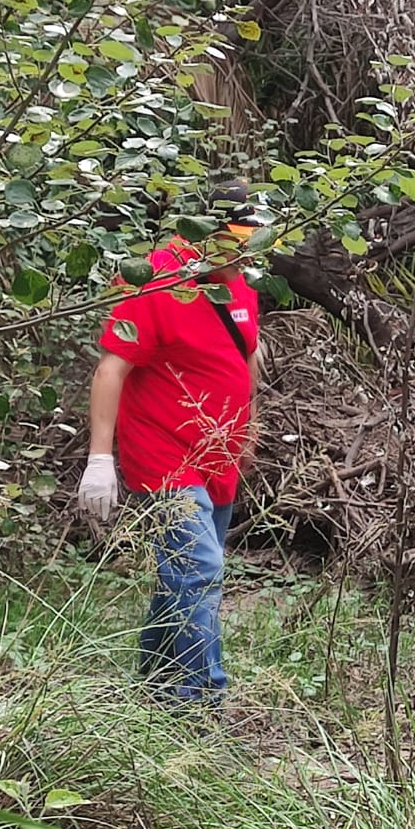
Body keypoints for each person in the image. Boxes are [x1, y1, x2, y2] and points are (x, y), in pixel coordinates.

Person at [76, 189, 262, 706]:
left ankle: (155, 691)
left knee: (179, 575)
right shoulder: (154, 282)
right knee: (199, 568)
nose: (247, 255)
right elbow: (112, 367)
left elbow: (245, 357)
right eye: (237, 243)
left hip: (219, 452)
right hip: (163, 453)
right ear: (201, 234)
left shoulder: (240, 283)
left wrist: (248, 430)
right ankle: (202, 705)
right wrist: (99, 461)